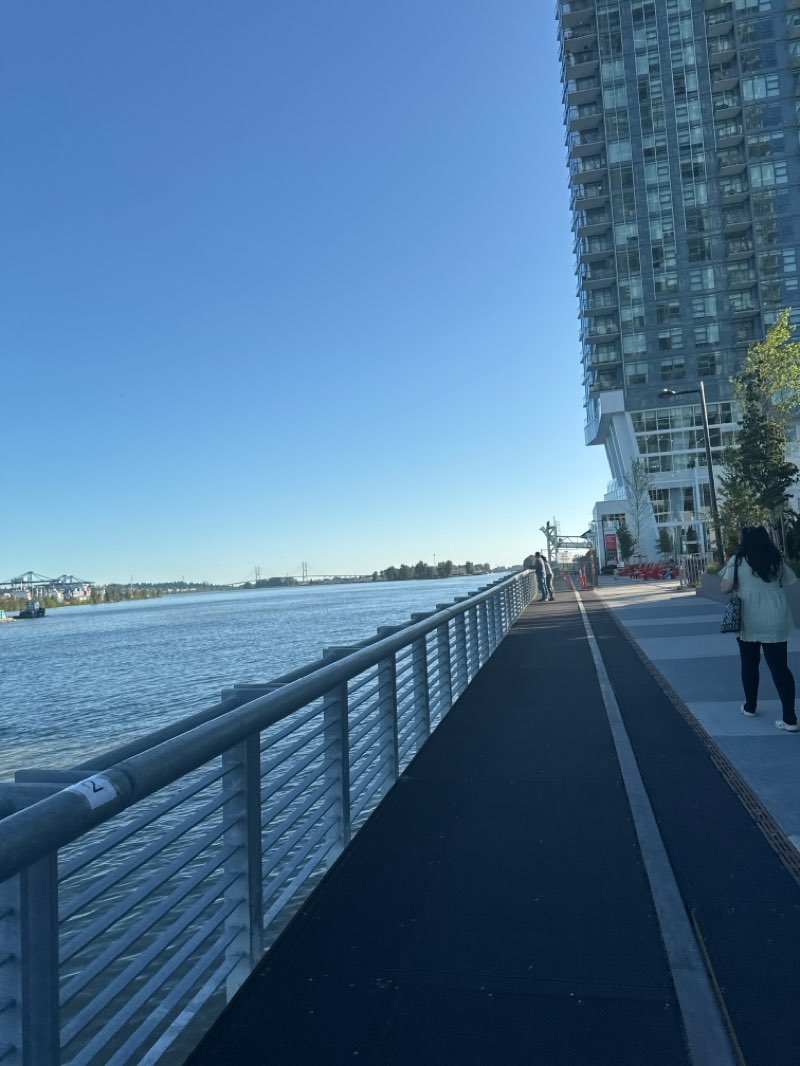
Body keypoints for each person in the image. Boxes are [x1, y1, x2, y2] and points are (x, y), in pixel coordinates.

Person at [720, 526, 798, 732]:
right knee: (780, 667)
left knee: (749, 664)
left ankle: (750, 706)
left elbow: (726, 587)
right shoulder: (776, 560)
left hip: (749, 617)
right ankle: (790, 718)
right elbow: (789, 580)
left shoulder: (738, 560)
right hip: (776, 615)